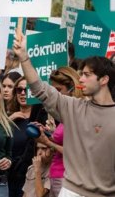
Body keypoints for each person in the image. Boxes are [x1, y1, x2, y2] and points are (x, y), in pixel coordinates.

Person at [13, 34, 115, 197]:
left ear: (103, 80)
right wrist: (24, 58)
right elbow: (39, 88)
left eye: (87, 75)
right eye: (81, 74)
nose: (80, 79)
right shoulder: (73, 107)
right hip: (70, 191)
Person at [35, 67, 83, 197]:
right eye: (53, 90)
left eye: (59, 90)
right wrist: (48, 133)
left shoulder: (79, 113)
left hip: (69, 178)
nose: (56, 95)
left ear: (72, 88)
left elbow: (74, 151)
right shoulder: (65, 114)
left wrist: (47, 142)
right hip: (56, 174)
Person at [7, 77, 35, 197]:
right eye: (19, 90)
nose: (23, 93)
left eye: (27, 90)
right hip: (7, 176)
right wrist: (9, 120)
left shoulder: (40, 118)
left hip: (29, 177)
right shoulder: (8, 117)